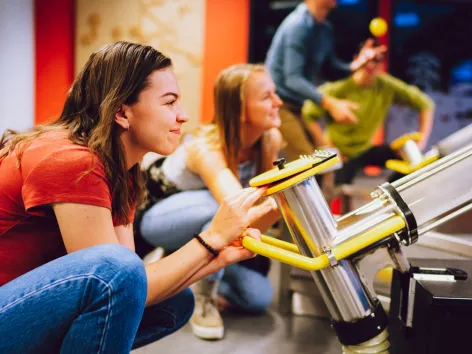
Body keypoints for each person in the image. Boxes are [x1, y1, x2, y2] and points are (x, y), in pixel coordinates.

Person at [0, 42, 272, 353]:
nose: (183, 116)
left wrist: (217, 256)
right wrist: (212, 237)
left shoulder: (119, 164)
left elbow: (132, 284)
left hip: (22, 305)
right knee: (119, 270)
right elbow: (116, 274)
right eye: (169, 103)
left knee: (175, 302)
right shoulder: (72, 162)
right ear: (121, 112)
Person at [135, 63, 283, 340]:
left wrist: (282, 205)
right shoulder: (206, 147)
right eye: (266, 97)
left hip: (204, 224)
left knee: (257, 298)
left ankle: (184, 268)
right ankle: (204, 297)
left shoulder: (270, 140)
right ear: (239, 110)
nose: (279, 102)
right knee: (223, 206)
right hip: (156, 220)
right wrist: (284, 203)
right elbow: (240, 211)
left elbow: (256, 217)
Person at [265, 0, 386, 161]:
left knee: (325, 157)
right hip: (279, 104)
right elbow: (292, 79)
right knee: (306, 163)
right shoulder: (298, 25)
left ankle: (329, 187)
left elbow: (331, 68)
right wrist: (329, 103)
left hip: (299, 105)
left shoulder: (324, 29)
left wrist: (357, 65)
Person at [302, 41, 435, 184]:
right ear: (357, 60)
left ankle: (393, 192)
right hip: (341, 153)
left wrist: (421, 141)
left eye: (376, 60)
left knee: (410, 158)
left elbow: (425, 104)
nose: (370, 65)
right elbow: (308, 113)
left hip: (365, 148)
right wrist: (325, 144)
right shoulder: (339, 86)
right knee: (331, 185)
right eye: (367, 59)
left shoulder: (385, 85)